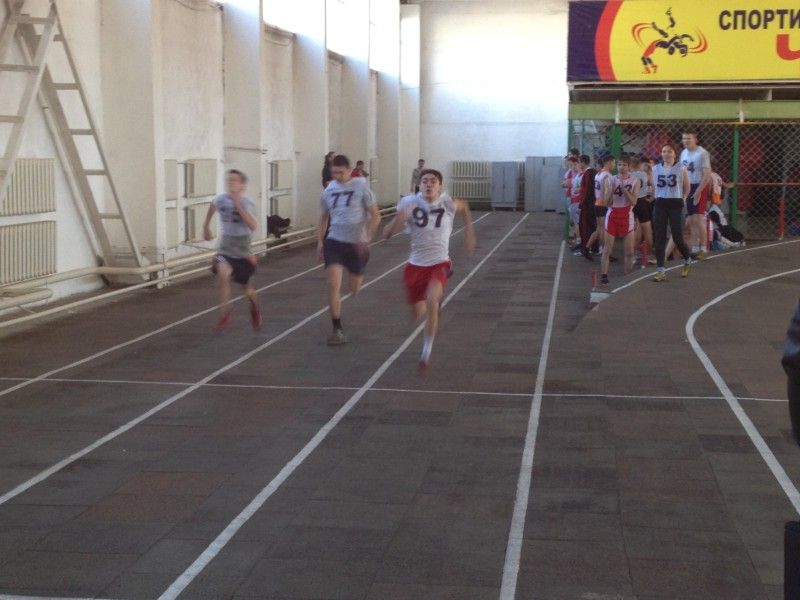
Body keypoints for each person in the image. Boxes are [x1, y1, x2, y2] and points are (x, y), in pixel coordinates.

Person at [382, 168, 475, 370]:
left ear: (440, 186)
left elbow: (465, 206)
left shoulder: (447, 203)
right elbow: (386, 234)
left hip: (440, 263)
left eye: (433, 181)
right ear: (419, 185)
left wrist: (469, 233)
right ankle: (429, 304)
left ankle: (426, 352)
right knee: (417, 312)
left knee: (432, 300)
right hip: (416, 265)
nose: (428, 184)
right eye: (424, 181)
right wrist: (400, 217)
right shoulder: (409, 203)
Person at [318, 154, 382, 345]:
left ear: (349, 170)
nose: (337, 176)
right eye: (334, 173)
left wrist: (366, 239)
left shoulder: (361, 187)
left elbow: (376, 216)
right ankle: (337, 328)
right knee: (333, 283)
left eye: (341, 172)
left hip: (356, 244)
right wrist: (320, 242)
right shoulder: (329, 190)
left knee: (354, 289)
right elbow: (323, 217)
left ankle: (355, 278)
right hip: (334, 241)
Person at [203, 169, 261, 331]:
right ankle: (225, 311)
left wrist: (237, 203)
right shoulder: (221, 199)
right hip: (225, 248)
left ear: (242, 185)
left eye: (235, 181)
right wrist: (206, 226)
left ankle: (255, 306)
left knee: (247, 290)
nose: (231, 183)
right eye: (229, 180)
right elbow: (212, 205)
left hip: (242, 251)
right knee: (223, 274)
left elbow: (253, 225)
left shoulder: (247, 203)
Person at [652, 144, 693, 282]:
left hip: (676, 204)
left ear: (675, 154)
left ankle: (687, 258)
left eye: (669, 151)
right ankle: (660, 270)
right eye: (664, 151)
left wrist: (683, 199)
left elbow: (687, 187)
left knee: (677, 237)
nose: (666, 153)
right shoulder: (655, 168)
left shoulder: (681, 168)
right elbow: (654, 187)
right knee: (659, 237)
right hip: (660, 204)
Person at [600, 154, 639, 284]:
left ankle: (628, 276)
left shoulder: (635, 180)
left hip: (627, 215)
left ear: (629, 166)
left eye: (624, 165)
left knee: (629, 251)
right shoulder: (610, 179)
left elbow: (634, 201)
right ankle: (604, 276)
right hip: (612, 215)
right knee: (607, 249)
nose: (621, 167)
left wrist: (624, 190)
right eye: (619, 164)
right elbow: (606, 202)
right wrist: (611, 190)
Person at [680, 129, 712, 257]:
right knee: (692, 218)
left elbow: (707, 174)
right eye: (684, 138)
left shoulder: (702, 153)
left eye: (689, 138)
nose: (686, 141)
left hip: (699, 185)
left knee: (699, 217)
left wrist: (699, 191)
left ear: (695, 139)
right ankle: (694, 247)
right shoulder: (683, 153)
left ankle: (703, 248)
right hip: (687, 186)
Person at [583, 151, 614, 261]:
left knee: (600, 228)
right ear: (609, 162)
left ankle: (588, 248)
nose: (614, 165)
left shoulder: (598, 174)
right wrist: (608, 203)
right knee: (604, 229)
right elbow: (606, 191)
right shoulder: (607, 175)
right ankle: (605, 252)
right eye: (613, 162)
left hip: (597, 203)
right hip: (603, 205)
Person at [632, 154, 654, 264]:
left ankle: (634, 255)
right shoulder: (644, 175)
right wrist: (650, 170)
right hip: (642, 202)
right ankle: (648, 255)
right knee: (647, 230)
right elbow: (652, 184)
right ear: (640, 164)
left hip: (632, 203)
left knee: (637, 230)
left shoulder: (630, 175)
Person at [578, 154, 597, 259]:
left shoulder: (588, 173)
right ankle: (594, 247)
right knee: (593, 226)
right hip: (592, 203)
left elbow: (587, 190)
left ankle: (586, 247)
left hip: (587, 205)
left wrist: (582, 204)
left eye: (579, 162)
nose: (579, 164)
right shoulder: (592, 172)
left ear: (583, 162)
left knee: (585, 226)